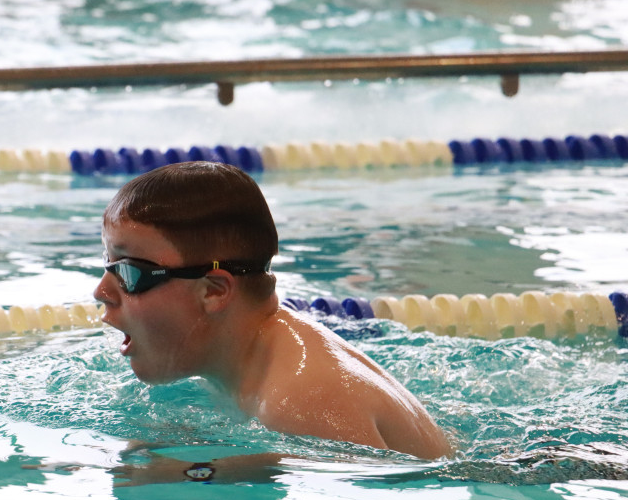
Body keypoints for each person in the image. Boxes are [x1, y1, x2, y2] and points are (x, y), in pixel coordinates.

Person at [92, 161, 452, 475]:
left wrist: (192, 473)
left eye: (129, 272)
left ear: (214, 291)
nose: (102, 291)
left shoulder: (299, 399)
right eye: (107, 264)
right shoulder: (247, 361)